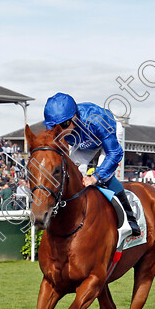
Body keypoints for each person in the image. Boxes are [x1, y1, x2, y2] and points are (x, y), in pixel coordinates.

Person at [43, 92, 140, 235]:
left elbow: (115, 153)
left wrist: (95, 177)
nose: (60, 131)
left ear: (75, 116)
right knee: (74, 175)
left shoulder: (96, 120)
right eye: (55, 127)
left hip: (108, 136)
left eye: (64, 125)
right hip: (83, 141)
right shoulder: (59, 125)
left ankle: (130, 219)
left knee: (104, 177)